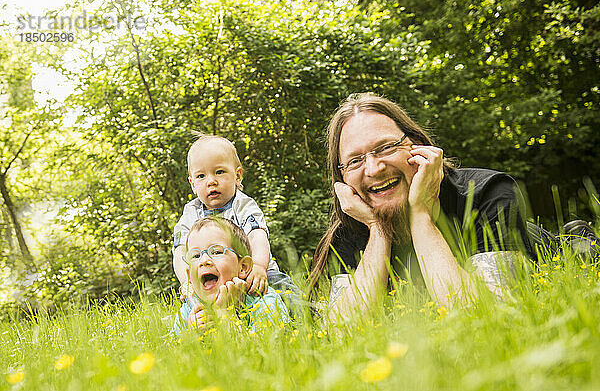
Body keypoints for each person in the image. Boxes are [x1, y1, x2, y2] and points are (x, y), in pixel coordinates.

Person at [309, 93, 598, 320]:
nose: (372, 169)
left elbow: (484, 312)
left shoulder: (486, 191)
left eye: (385, 147)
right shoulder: (351, 226)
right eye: (355, 160)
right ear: (342, 177)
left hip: (543, 246)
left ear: (418, 146)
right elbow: (343, 329)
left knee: (582, 254)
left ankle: (579, 237)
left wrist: (420, 214)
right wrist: (377, 229)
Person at [173, 134, 299, 300]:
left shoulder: (242, 205)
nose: (211, 181)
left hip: (254, 274)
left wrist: (259, 266)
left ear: (237, 176)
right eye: (201, 176)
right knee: (195, 310)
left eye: (219, 172)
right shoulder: (191, 213)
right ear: (193, 184)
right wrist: (187, 281)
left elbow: (257, 236)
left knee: (285, 294)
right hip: (214, 281)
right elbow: (180, 251)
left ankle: (312, 314)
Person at [173, 216, 290, 335]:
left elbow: (267, 347)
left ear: (243, 267)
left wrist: (226, 314)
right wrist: (192, 335)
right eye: (195, 256)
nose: (204, 260)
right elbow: (171, 349)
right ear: (189, 276)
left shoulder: (264, 301)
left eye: (216, 252)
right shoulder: (189, 310)